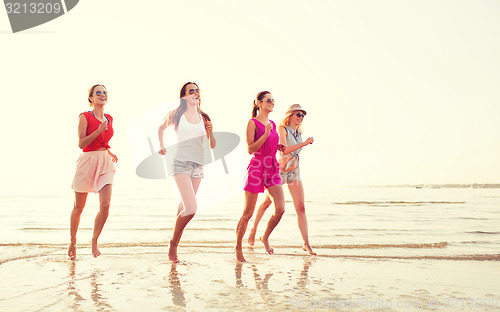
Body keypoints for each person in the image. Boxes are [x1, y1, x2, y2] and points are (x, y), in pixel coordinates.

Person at [158, 82, 216, 262]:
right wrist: (161, 145)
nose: (195, 93)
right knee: (191, 209)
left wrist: (211, 132)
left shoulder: (204, 117)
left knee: (183, 208)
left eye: (197, 90)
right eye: (191, 91)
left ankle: (174, 246)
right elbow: (161, 128)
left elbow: (212, 145)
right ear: (183, 96)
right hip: (180, 163)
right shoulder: (176, 114)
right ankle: (173, 244)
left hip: (198, 165)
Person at [248, 104, 316, 255]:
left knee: (301, 207)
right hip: (279, 172)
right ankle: (254, 230)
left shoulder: (298, 132)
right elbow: (283, 149)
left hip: (295, 173)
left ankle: (306, 243)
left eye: (302, 115)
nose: (300, 118)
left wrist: (303, 141)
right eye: (298, 114)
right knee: (266, 203)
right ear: (290, 115)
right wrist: (305, 143)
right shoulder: (281, 128)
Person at [235, 91, 286, 262]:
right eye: (268, 100)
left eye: (273, 100)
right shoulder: (253, 123)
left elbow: (269, 144)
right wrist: (265, 135)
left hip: (272, 167)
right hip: (257, 167)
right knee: (247, 213)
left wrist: (276, 145)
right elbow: (250, 149)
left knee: (280, 209)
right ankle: (238, 247)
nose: (272, 102)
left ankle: (264, 237)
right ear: (259, 103)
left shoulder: (272, 123)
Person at [69, 84, 118, 260]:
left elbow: (103, 141)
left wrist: (109, 151)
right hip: (87, 162)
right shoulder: (84, 116)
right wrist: (98, 130)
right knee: (79, 207)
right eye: (98, 93)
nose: (102, 95)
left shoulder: (110, 118)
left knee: (105, 206)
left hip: (104, 162)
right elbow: (82, 144)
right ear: (91, 98)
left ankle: (94, 240)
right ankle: (73, 241)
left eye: (105, 92)